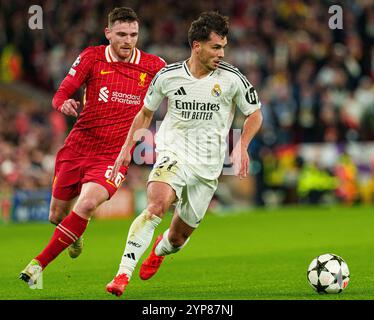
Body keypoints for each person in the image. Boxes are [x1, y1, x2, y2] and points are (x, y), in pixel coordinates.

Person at [105, 11, 263, 297]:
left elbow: (255, 115)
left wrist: (242, 145)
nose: (222, 53)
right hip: (173, 152)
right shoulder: (168, 76)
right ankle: (121, 275)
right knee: (157, 204)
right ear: (197, 46)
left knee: (177, 239)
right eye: (216, 47)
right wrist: (127, 150)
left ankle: (159, 250)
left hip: (208, 167)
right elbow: (145, 113)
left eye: (224, 47)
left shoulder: (232, 79)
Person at [19, 7, 166, 287]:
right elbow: (63, 90)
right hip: (77, 148)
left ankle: (38, 264)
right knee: (56, 216)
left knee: (86, 204)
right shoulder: (92, 57)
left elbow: (179, 86)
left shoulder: (153, 66)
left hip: (114, 155)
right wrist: (62, 102)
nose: (128, 41)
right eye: (121, 34)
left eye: (133, 35)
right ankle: (73, 233)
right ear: (108, 33)